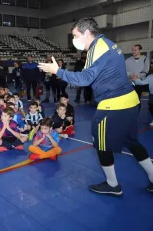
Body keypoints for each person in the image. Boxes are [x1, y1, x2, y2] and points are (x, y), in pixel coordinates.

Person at [38, 17, 153, 195]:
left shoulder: (96, 49)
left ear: (86, 33)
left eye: (75, 36)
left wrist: (57, 71)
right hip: (130, 101)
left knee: (100, 144)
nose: (74, 40)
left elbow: (85, 79)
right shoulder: (108, 43)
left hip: (113, 105)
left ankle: (112, 184)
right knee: (131, 141)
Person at [126, 44, 150, 110]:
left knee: (139, 99)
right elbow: (125, 70)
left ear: (140, 50)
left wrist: (138, 76)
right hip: (131, 83)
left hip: (140, 83)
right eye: (132, 50)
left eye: (135, 50)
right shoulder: (128, 60)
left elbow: (146, 70)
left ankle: (138, 111)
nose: (133, 51)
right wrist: (130, 75)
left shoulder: (145, 59)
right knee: (131, 99)